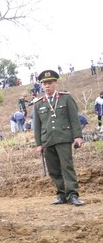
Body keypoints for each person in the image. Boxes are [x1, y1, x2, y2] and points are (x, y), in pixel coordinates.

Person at [33, 69, 85, 206]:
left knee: (67, 166)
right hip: (47, 140)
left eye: (49, 83)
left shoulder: (66, 98)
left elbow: (74, 119)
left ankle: (73, 194)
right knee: (54, 169)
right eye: (44, 84)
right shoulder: (38, 103)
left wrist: (78, 136)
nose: (47, 86)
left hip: (63, 138)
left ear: (56, 83)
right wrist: (39, 144)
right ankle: (61, 194)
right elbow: (37, 126)